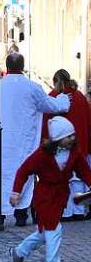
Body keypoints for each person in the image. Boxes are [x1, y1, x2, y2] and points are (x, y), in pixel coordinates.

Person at [0, 53, 70, 227]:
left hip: (2, 143)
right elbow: (51, 106)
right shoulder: (32, 87)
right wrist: (63, 98)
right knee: (24, 175)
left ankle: (0, 212)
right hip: (24, 141)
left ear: (6, 67)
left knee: (2, 177)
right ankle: (21, 212)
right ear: (23, 66)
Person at [9, 117, 91, 262]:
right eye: (69, 136)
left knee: (45, 233)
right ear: (58, 139)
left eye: (73, 135)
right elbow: (23, 171)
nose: (73, 139)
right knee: (54, 228)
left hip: (60, 196)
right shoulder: (42, 154)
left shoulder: (75, 152)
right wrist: (16, 192)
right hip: (44, 196)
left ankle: (19, 252)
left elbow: (84, 171)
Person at [39, 69, 91, 221]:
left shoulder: (53, 97)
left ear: (56, 82)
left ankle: (66, 212)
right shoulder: (80, 96)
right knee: (79, 177)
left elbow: (46, 122)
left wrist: (45, 143)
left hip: (61, 145)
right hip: (81, 143)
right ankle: (79, 210)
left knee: (63, 179)